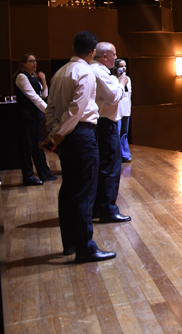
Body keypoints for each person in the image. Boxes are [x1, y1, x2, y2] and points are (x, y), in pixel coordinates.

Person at [44, 31, 116, 263]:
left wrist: (55, 131)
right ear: (93, 51)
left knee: (69, 191)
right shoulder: (84, 72)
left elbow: (51, 108)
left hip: (67, 136)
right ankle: (85, 247)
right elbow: (77, 110)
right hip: (81, 136)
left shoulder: (60, 72)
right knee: (84, 193)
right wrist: (60, 135)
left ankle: (70, 244)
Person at [90, 42, 131, 224]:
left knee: (103, 168)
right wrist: (121, 83)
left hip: (100, 124)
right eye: (114, 54)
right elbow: (114, 97)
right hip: (105, 124)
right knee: (110, 169)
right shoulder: (99, 72)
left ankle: (98, 208)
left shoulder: (96, 71)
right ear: (105, 56)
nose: (116, 58)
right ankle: (108, 210)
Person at [14, 52, 56, 185]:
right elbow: (33, 97)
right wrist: (50, 112)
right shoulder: (21, 77)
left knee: (38, 146)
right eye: (31, 61)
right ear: (23, 64)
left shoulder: (34, 77)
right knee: (26, 147)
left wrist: (43, 80)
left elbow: (44, 95)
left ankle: (44, 173)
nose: (34, 63)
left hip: (36, 117)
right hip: (26, 117)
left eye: (35, 60)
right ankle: (28, 176)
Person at [115, 59, 132, 163]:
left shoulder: (128, 79)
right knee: (116, 133)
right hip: (117, 111)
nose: (124, 68)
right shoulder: (113, 79)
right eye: (121, 66)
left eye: (125, 66)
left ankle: (125, 155)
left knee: (124, 133)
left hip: (126, 110)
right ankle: (116, 156)